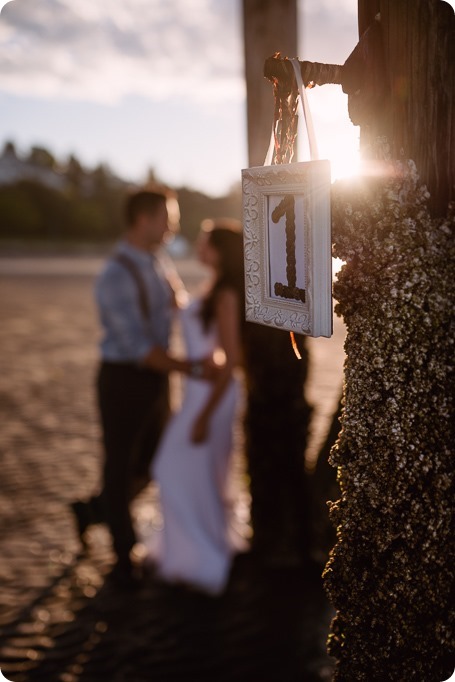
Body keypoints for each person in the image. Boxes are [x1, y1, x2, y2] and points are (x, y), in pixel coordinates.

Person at [71, 188, 215, 587]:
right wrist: (193, 367)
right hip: (124, 379)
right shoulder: (116, 274)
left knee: (154, 462)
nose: (174, 225)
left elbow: (176, 304)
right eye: (169, 217)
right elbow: (139, 348)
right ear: (144, 219)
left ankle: (93, 511)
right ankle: (122, 557)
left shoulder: (156, 260)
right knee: (119, 465)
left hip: (156, 378)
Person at [142, 218, 247, 596]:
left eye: (205, 243)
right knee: (192, 472)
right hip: (198, 390)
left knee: (172, 466)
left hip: (212, 394)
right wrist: (178, 297)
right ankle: (192, 550)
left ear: (219, 251)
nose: (199, 247)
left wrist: (204, 415)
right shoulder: (213, 288)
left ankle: (203, 555)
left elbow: (231, 359)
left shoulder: (227, 295)